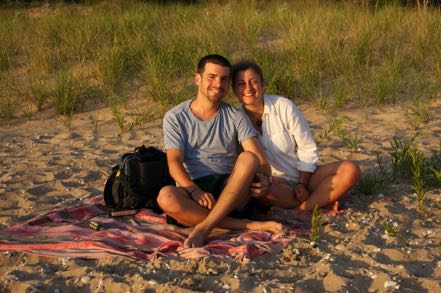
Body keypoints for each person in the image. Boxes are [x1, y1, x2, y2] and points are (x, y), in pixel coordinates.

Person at [157, 54, 283, 248]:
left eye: (224, 79)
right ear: (198, 79)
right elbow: (174, 161)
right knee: (166, 197)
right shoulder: (175, 117)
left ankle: (203, 227)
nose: (218, 84)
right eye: (212, 77)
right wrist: (193, 190)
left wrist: (266, 178)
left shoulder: (235, 115)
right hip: (195, 187)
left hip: (230, 187)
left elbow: (259, 159)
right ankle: (245, 225)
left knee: (248, 159)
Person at [231, 60, 361, 212]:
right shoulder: (234, 118)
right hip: (273, 184)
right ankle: (318, 201)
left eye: (254, 82)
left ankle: (303, 208)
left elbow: (308, 148)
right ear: (234, 89)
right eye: (241, 83)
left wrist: (302, 184)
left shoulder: (284, 106)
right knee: (260, 192)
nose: (248, 88)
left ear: (262, 83)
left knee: (351, 170)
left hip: (304, 176)